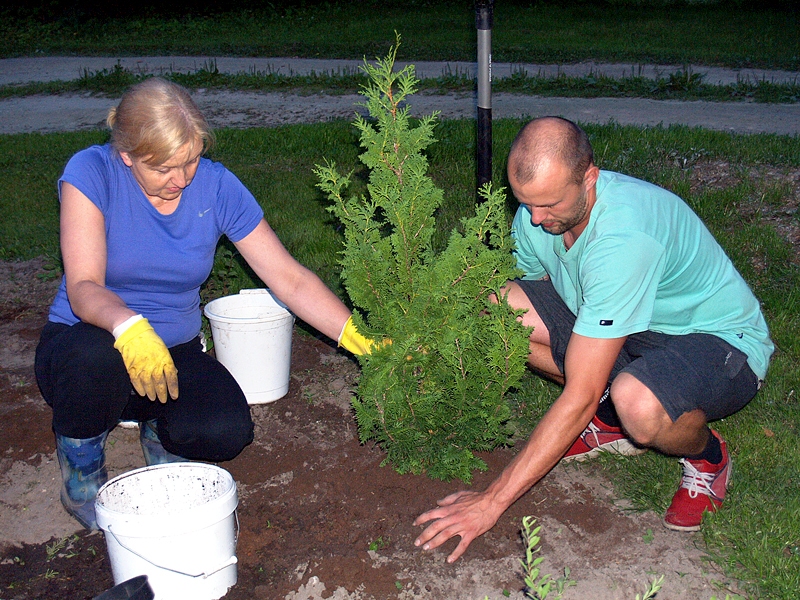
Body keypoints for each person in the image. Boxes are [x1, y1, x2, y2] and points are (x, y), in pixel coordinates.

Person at [413, 116, 773, 563]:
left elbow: (576, 394)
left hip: (716, 341)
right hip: (632, 326)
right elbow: (536, 284)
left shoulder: (624, 235)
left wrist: (491, 503)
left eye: (549, 204)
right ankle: (611, 415)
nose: (536, 218)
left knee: (639, 405)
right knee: (496, 308)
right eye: (525, 203)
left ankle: (708, 457)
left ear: (589, 177)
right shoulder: (536, 216)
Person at [34, 77, 375, 530]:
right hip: (89, 346)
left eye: (191, 160)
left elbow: (289, 279)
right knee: (93, 358)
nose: (181, 179)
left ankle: (158, 430)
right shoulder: (91, 173)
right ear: (127, 156)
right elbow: (83, 286)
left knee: (225, 430)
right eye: (162, 168)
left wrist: (360, 338)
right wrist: (129, 326)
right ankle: (82, 474)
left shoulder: (216, 186)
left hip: (172, 352)